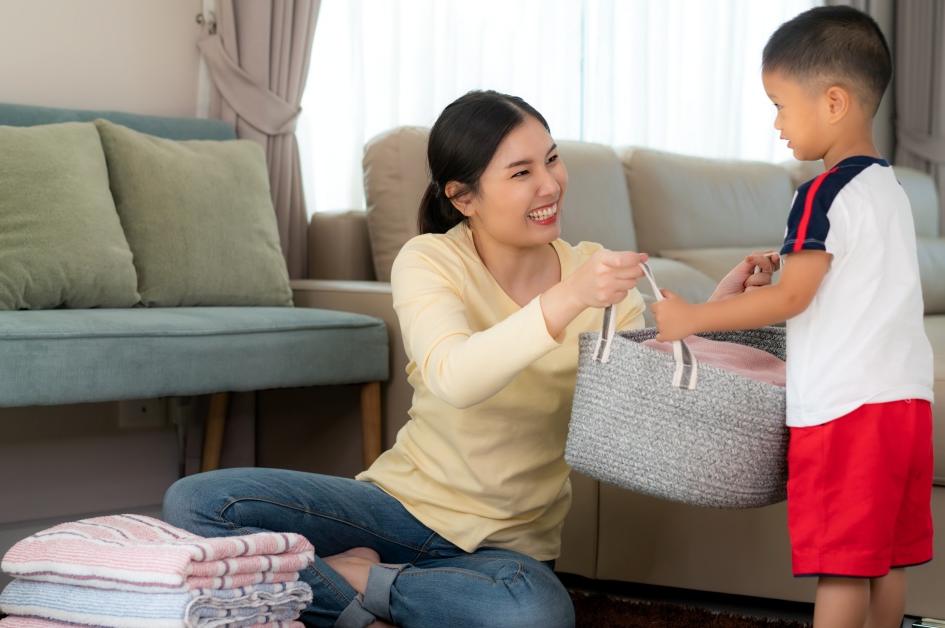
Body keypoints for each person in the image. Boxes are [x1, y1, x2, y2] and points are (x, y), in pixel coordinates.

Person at [163, 89, 775, 628]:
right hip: (395, 511)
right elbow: (454, 376)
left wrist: (714, 311)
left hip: (509, 551)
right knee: (194, 504)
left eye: (552, 159)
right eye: (520, 172)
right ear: (463, 197)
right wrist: (566, 299)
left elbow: (660, 377)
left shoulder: (590, 269)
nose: (549, 184)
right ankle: (384, 595)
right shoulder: (431, 261)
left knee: (533, 614)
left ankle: (354, 585)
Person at [650, 7, 934, 627]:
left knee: (841, 566)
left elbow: (791, 300)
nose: (775, 123)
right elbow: (850, 285)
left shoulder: (820, 193)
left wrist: (692, 316)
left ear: (833, 102)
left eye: (778, 103)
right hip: (908, 404)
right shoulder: (889, 188)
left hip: (846, 411)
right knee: (886, 561)